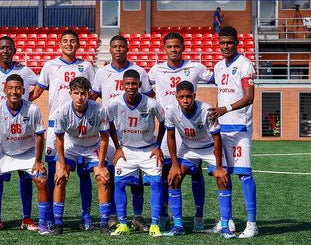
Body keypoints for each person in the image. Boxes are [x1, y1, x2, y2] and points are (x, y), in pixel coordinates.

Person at [148, 32, 217, 232]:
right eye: (169, 47)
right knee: (165, 176)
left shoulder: (195, 67)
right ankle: (164, 216)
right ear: (164, 49)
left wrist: (222, 107)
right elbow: (143, 92)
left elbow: (220, 82)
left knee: (196, 176)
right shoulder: (155, 71)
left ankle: (199, 216)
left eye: (177, 46)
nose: (173, 50)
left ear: (183, 47)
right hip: (167, 130)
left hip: (191, 131)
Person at [30, 29, 95, 229]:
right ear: (60, 44)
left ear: (78, 44)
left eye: (72, 41)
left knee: (84, 173)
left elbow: (93, 93)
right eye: (65, 41)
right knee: (55, 172)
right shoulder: (50, 66)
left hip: (80, 127)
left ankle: (86, 216)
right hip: (55, 127)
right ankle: (51, 215)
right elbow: (38, 91)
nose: (69, 44)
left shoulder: (86, 66)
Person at [90, 35, 155, 231]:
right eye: (115, 46)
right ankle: (112, 216)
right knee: (110, 175)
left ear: (127, 48)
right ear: (110, 50)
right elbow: (93, 97)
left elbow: (150, 100)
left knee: (136, 178)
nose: (118, 49)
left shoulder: (139, 72)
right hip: (110, 133)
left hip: (135, 133)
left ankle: (137, 217)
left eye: (121, 46)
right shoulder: (102, 72)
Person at [0, 74, 51, 234]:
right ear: (4, 89)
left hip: (28, 153)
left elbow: (39, 135)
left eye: (17, 88)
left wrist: (38, 160)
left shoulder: (33, 109)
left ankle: (42, 223)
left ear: (23, 90)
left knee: (41, 181)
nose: (14, 91)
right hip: (5, 153)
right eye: (10, 88)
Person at [0, 36, 39, 231]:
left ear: (14, 50)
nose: (5, 51)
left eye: (8, 48)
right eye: (2, 48)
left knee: (26, 177)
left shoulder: (25, 72)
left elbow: (41, 85)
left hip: (23, 130)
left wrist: (28, 100)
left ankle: (27, 218)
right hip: (0, 133)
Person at [163, 80, 234, 239]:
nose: (185, 100)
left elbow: (217, 139)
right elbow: (171, 137)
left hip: (209, 147)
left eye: (189, 96)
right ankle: (178, 225)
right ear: (176, 97)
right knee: (174, 178)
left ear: (194, 96)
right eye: (182, 97)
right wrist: (174, 165)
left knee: (222, 179)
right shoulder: (171, 111)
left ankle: (225, 226)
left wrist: (219, 167)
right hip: (188, 149)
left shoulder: (207, 110)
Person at [207, 26, 258, 239]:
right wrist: (217, 115)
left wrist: (225, 109)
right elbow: (222, 95)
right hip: (221, 130)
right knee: (221, 174)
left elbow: (249, 97)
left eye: (229, 42)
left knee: (244, 174)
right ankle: (226, 221)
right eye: (222, 43)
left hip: (239, 129)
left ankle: (252, 224)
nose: (226, 46)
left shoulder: (245, 65)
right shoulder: (218, 67)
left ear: (236, 43)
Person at [106, 69, 165, 237]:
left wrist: (158, 145)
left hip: (148, 151)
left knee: (155, 184)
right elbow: (109, 123)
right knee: (119, 184)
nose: (131, 87)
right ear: (122, 85)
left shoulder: (151, 103)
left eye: (134, 84)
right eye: (127, 84)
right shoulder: (114, 103)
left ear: (139, 85)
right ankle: (123, 223)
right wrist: (117, 147)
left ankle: (154, 224)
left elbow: (164, 122)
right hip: (126, 151)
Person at [50, 77, 111, 235]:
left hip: (93, 147)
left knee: (102, 178)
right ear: (70, 93)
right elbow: (59, 139)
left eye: (83, 93)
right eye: (76, 93)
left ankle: (104, 223)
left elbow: (105, 137)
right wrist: (62, 165)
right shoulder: (62, 111)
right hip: (71, 146)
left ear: (88, 94)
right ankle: (58, 222)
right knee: (60, 178)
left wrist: (102, 164)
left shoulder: (98, 109)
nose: (80, 97)